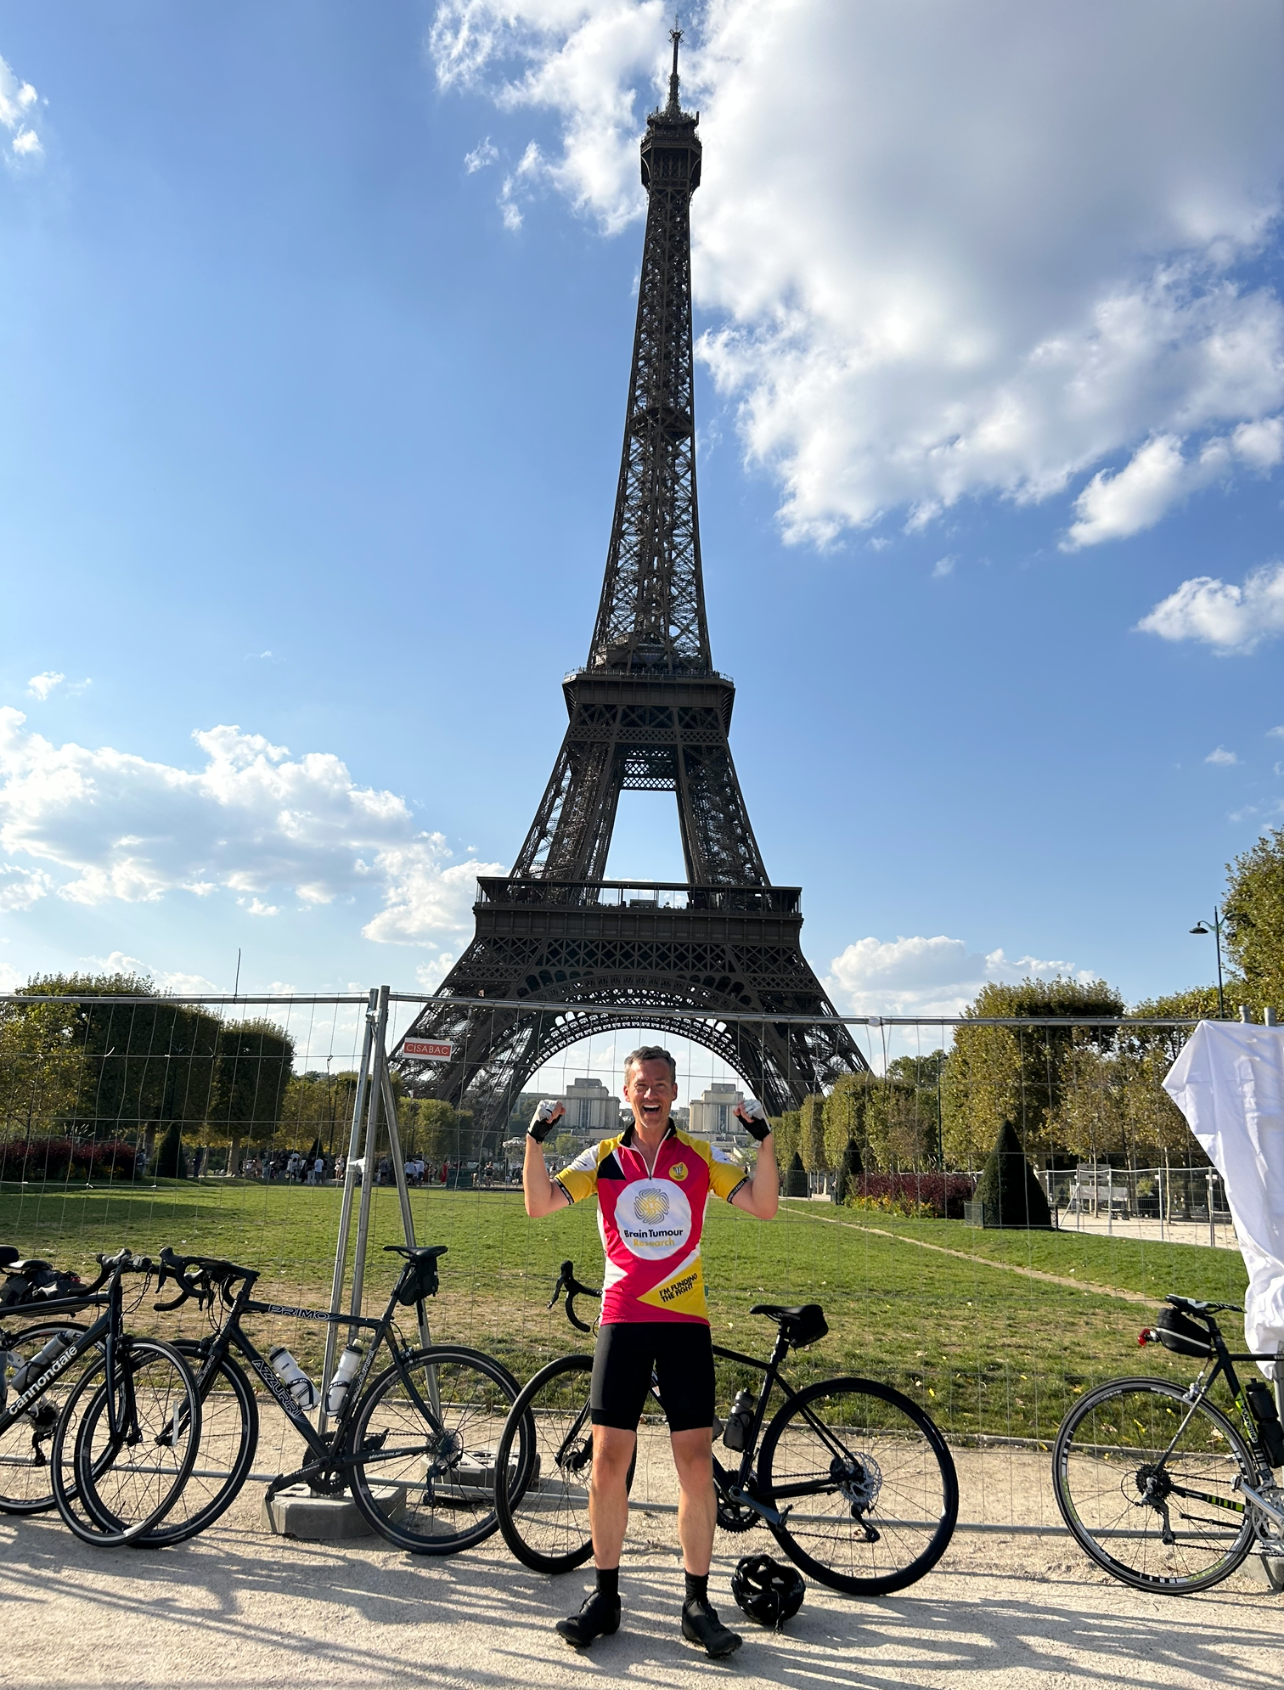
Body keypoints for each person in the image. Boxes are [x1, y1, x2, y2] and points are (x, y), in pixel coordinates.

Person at [524, 1046, 777, 1659]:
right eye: (643, 1084)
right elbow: (539, 1205)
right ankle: (605, 1598)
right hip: (624, 1320)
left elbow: (764, 1205)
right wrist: (535, 1142)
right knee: (609, 1463)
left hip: (684, 1321)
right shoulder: (604, 1158)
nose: (653, 1093)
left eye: (663, 1084)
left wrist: (765, 1143)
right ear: (626, 1091)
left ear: (674, 1090)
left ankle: (696, 1602)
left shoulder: (701, 1155)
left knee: (694, 1464)